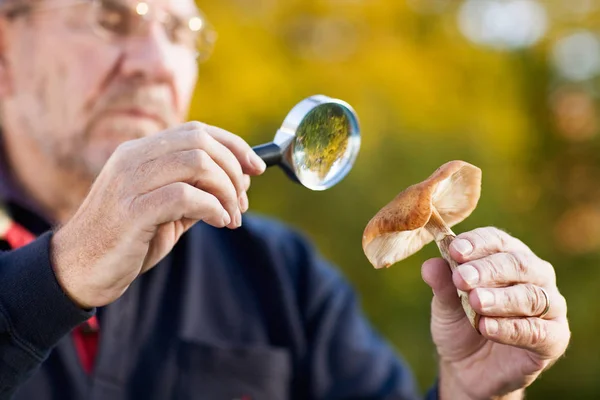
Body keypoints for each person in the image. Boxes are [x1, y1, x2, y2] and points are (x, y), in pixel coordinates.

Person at [0, 0, 570, 399]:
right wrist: (62, 272)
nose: (156, 65)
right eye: (112, 17)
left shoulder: (281, 273)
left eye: (181, 33)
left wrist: (473, 392)